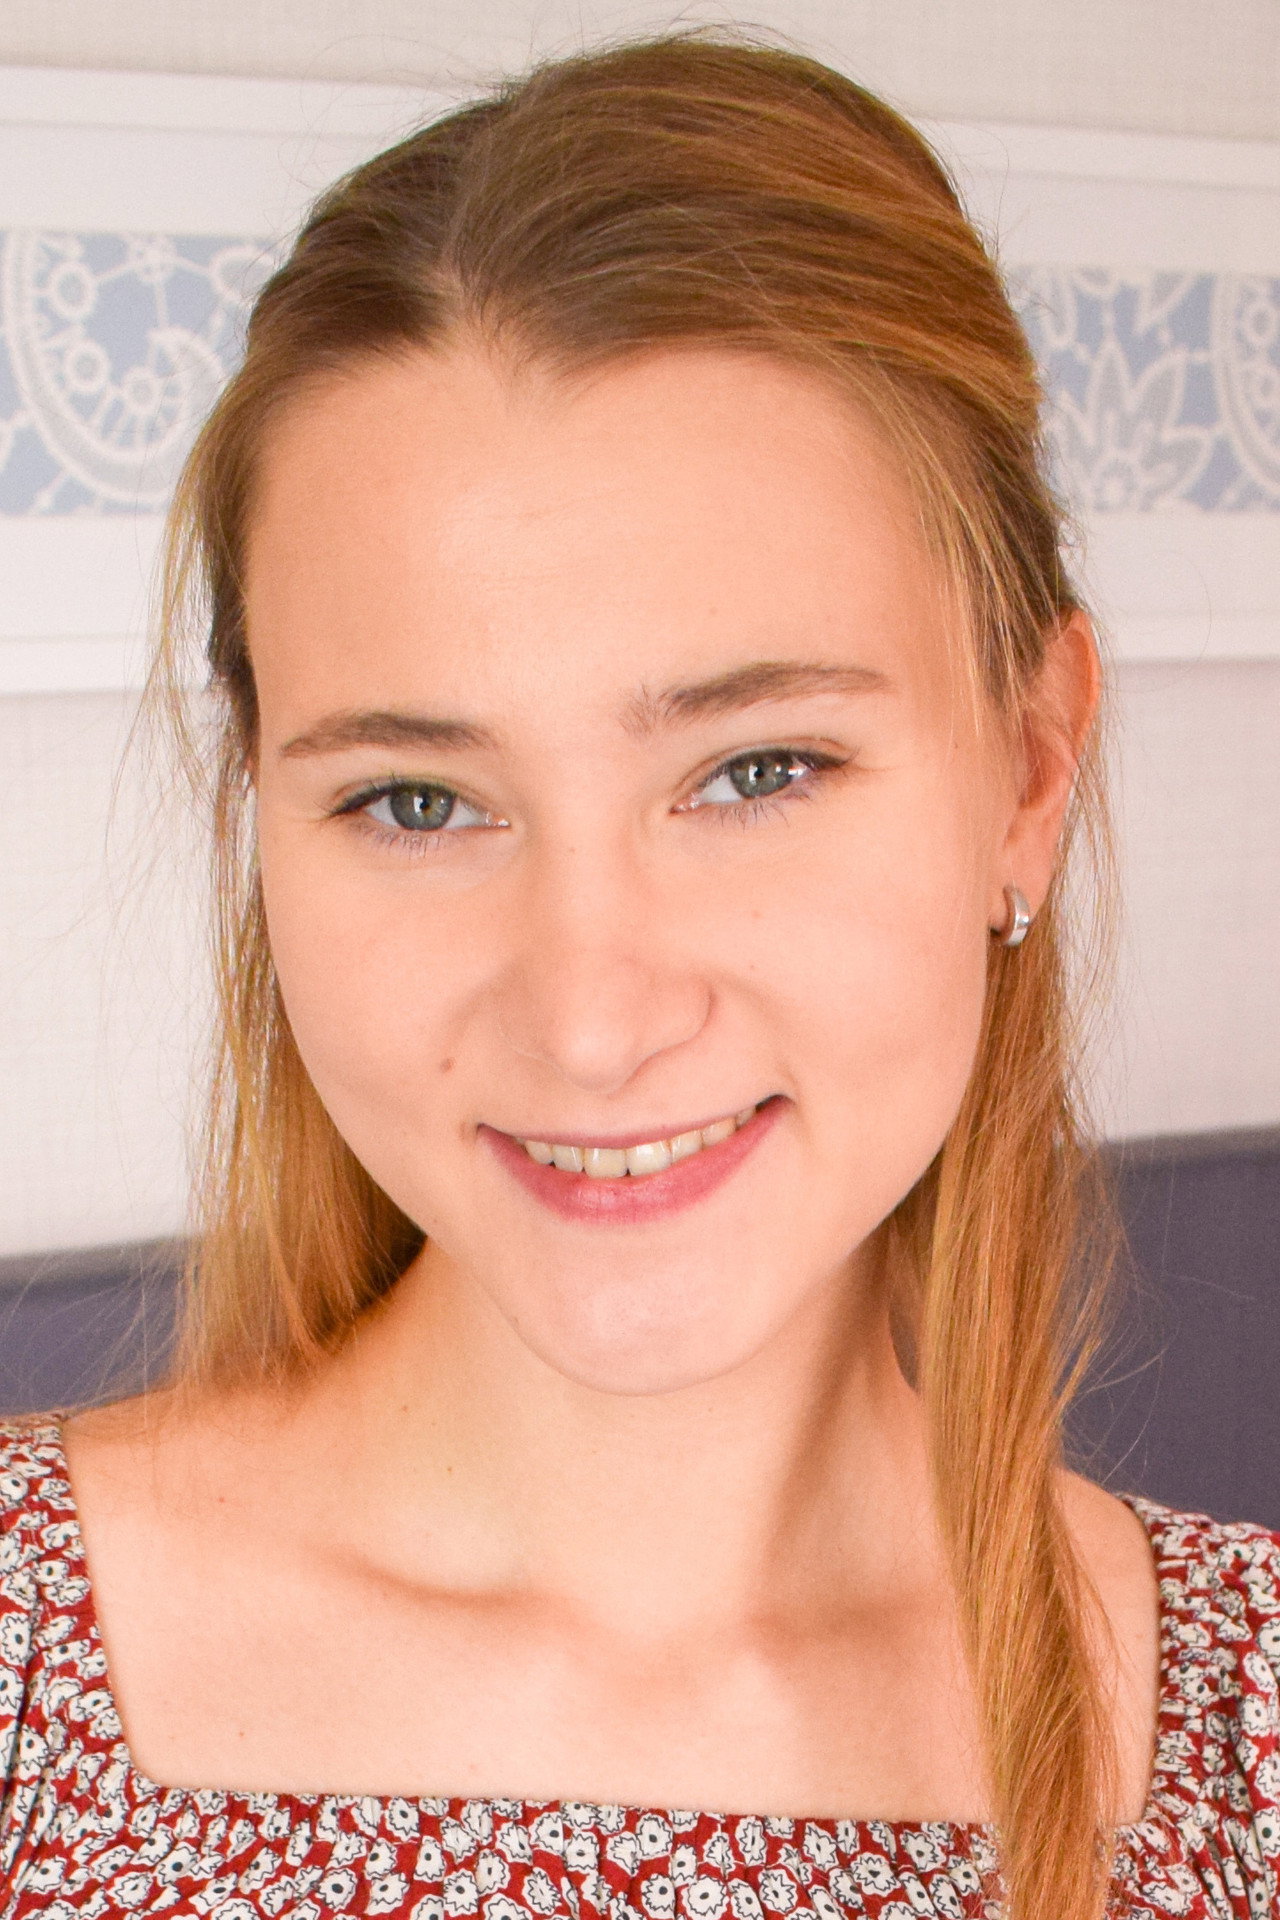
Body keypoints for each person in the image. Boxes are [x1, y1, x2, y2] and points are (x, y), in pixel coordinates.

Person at [2, 31, 1277, 1920]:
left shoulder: (1246, 1744)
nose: (591, 1021)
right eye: (419, 800)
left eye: (756, 773)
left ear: (1026, 771)